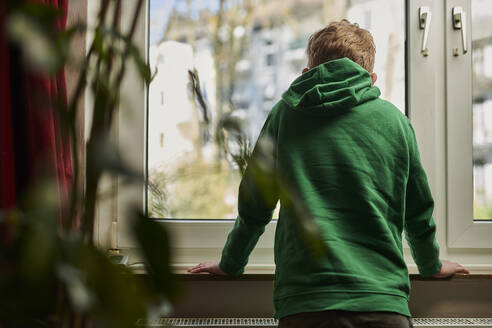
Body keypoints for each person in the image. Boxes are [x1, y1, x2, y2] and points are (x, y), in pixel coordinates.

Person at [188, 19, 469, 327]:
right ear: (371, 79)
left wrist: (231, 264)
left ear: (307, 74)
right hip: (383, 303)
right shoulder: (394, 122)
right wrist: (430, 265)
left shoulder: (285, 115)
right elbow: (418, 211)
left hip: (305, 304)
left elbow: (255, 205)